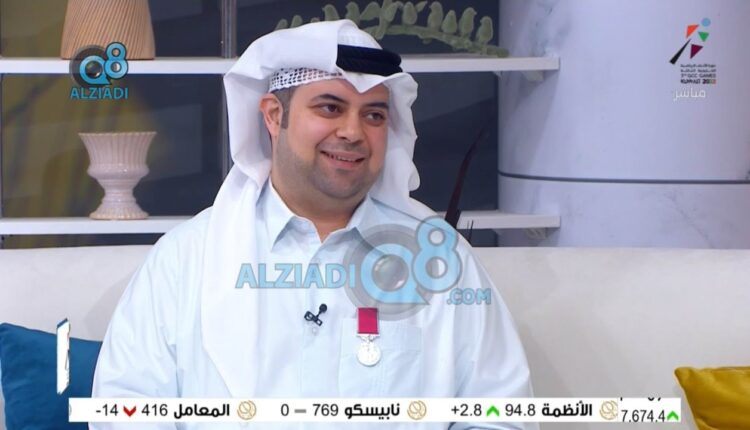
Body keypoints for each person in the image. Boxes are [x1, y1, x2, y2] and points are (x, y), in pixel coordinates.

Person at [92, 19, 535, 430]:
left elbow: (499, 414)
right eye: (330, 107)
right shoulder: (185, 260)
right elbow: (125, 412)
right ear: (273, 115)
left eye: (374, 115)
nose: (353, 132)